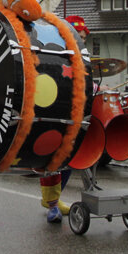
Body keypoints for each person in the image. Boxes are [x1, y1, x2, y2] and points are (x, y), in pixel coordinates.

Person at [37, 14, 90, 223]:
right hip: (56, 112)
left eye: (84, 37)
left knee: (71, 159)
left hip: (75, 115)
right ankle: (51, 204)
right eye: (79, 36)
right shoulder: (57, 53)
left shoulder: (83, 57)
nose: (82, 40)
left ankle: (54, 199)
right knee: (54, 160)